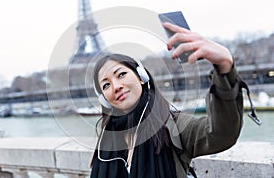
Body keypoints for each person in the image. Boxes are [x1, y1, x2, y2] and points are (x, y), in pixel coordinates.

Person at [89, 22, 247, 178]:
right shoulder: (108, 138)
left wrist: (224, 68)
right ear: (103, 98)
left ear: (141, 77)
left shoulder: (174, 127)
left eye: (121, 74)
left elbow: (222, 134)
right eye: (106, 85)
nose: (116, 86)